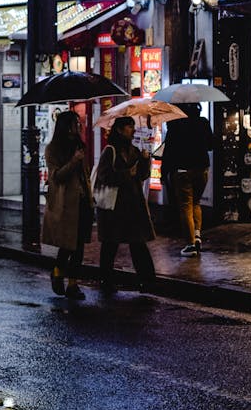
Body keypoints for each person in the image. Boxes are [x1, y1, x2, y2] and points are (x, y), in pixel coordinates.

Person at [94, 115, 156, 293]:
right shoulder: (110, 151)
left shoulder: (135, 150)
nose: (133, 129)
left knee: (138, 243)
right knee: (110, 244)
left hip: (132, 205)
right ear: (119, 130)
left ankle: (147, 280)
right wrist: (127, 173)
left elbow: (142, 176)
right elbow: (104, 177)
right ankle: (106, 280)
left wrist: (145, 160)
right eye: (129, 126)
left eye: (133, 126)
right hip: (114, 206)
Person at [41, 110, 95, 300]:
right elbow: (56, 177)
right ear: (66, 126)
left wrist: (90, 198)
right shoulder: (53, 149)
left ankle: (73, 284)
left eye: (78, 123)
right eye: (74, 123)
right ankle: (57, 271)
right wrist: (73, 161)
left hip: (82, 202)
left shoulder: (80, 146)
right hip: (66, 204)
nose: (78, 126)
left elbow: (85, 176)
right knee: (68, 245)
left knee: (79, 245)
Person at [161, 103, 214, 256]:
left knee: (186, 206)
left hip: (182, 170)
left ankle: (190, 245)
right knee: (196, 202)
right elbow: (210, 145)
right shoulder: (203, 122)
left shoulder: (175, 124)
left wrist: (165, 173)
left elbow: (169, 151)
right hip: (201, 169)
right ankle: (197, 235)